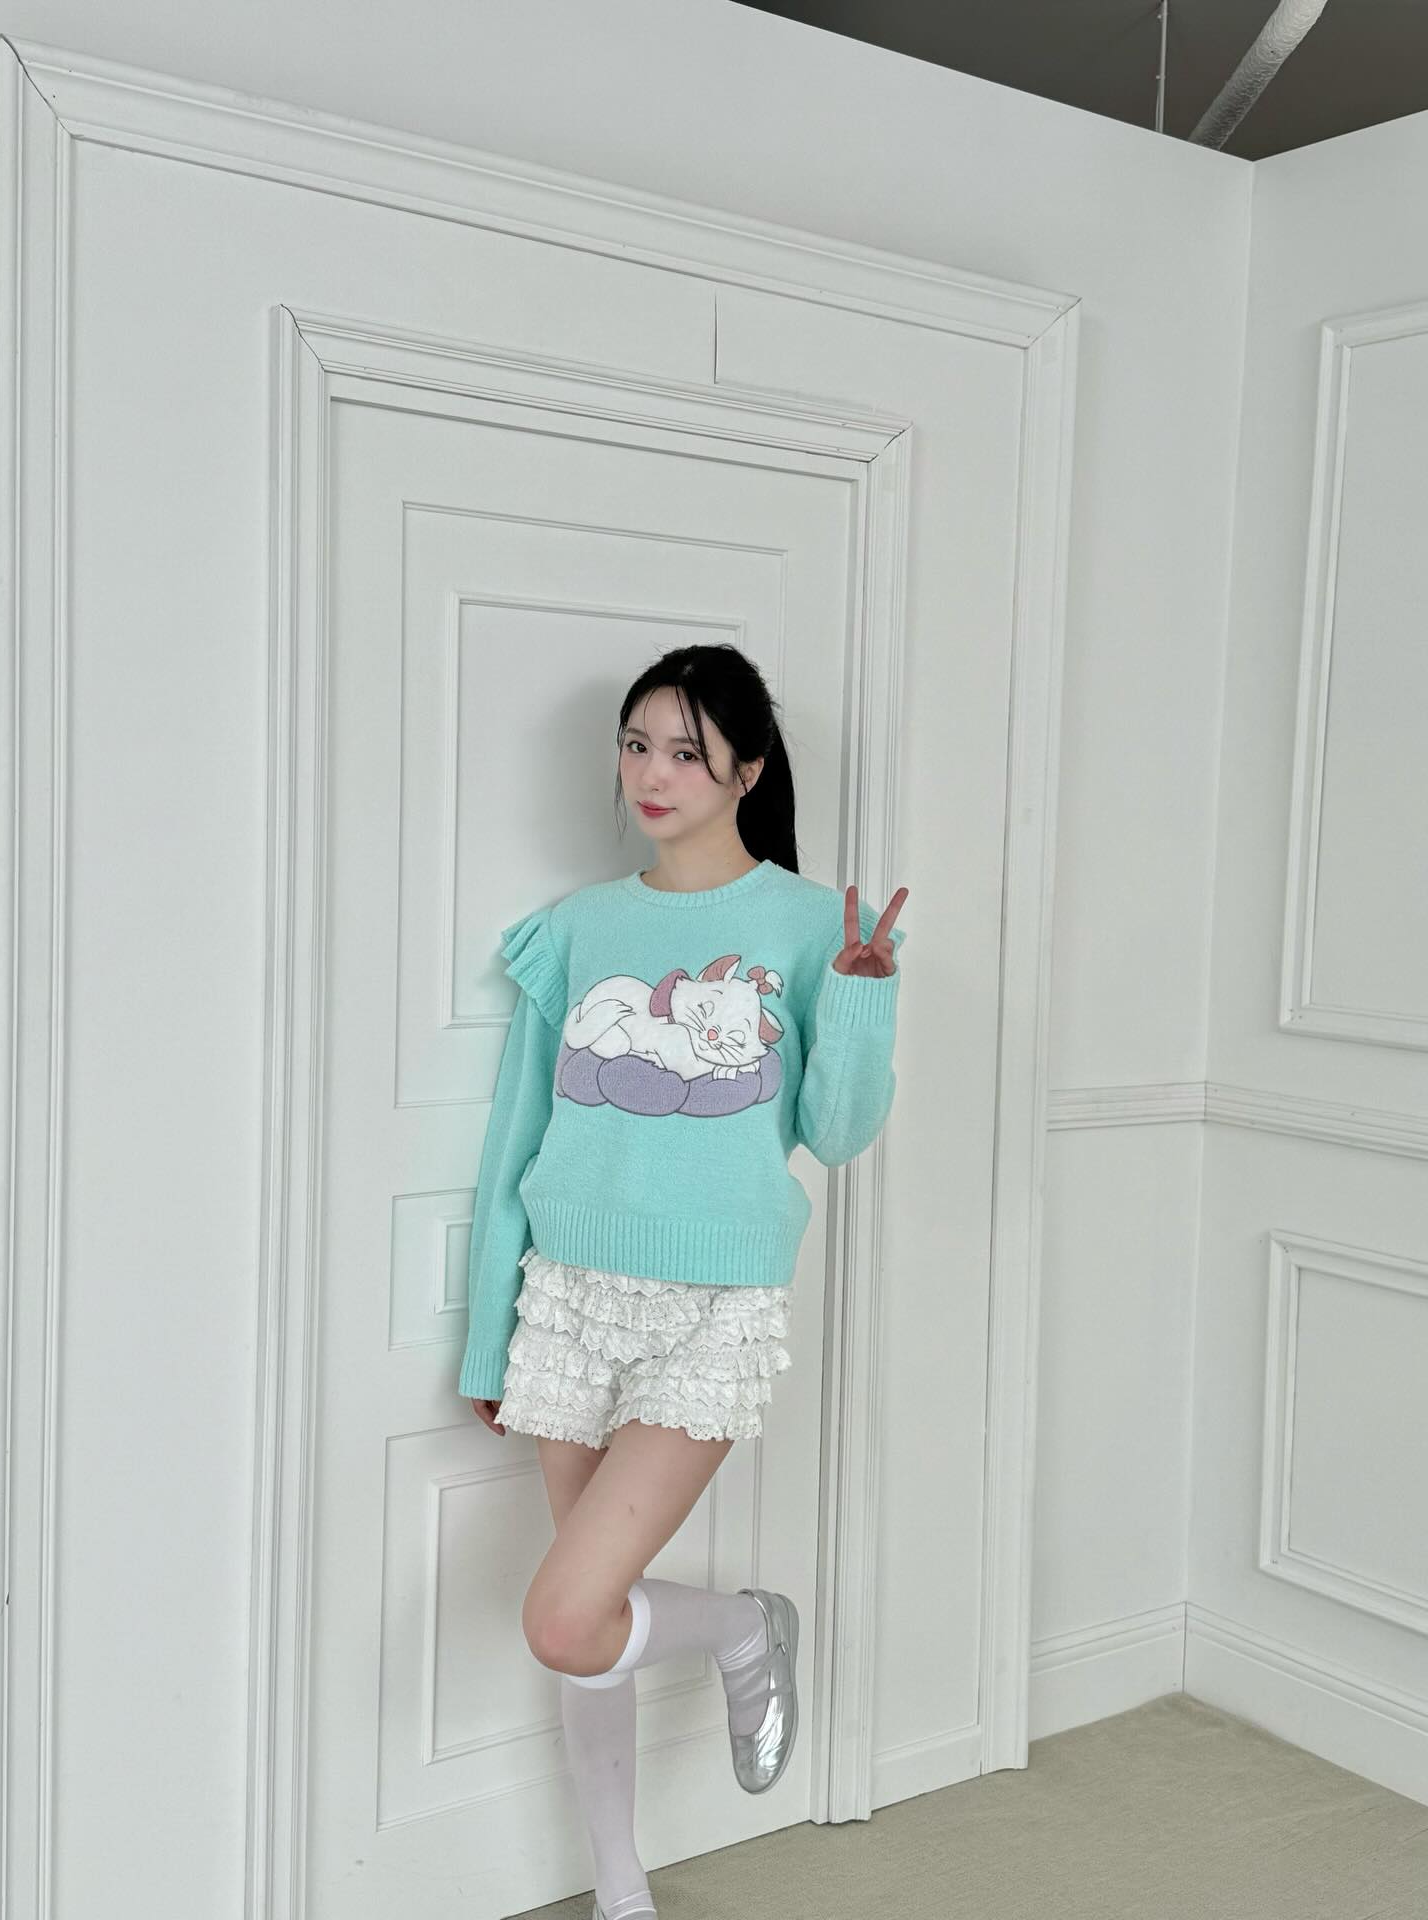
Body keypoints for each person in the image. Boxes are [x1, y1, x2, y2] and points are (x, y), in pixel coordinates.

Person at [460, 642, 907, 1920]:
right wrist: (492, 1336)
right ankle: (622, 1891)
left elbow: (836, 1134)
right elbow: (514, 1141)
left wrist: (861, 1002)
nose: (651, 774)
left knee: (566, 1613)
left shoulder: (810, 925)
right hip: (569, 1296)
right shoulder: (579, 928)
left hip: (716, 1304)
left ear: (747, 772)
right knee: (586, 1631)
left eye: (687, 753)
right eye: (636, 744)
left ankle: (745, 1628)